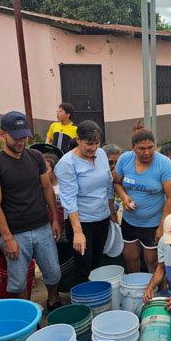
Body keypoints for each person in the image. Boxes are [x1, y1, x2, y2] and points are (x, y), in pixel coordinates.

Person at [0, 111, 63, 311]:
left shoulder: (36, 157)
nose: (21, 141)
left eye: (24, 136)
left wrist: (54, 219)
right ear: (3, 134)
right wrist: (8, 238)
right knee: (19, 282)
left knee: (53, 272)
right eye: (16, 136)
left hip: (42, 227)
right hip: (15, 233)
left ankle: (53, 301)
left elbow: (46, 187)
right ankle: (27, 312)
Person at [54, 121, 116, 285]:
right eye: (89, 143)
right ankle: (82, 303)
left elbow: (109, 184)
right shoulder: (67, 164)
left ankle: (97, 297)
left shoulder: (101, 154)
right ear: (78, 139)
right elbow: (69, 199)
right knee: (83, 267)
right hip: (81, 222)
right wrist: (78, 232)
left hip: (102, 219)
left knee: (97, 263)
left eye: (97, 143)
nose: (94, 147)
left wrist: (112, 212)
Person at [114, 129, 171, 273]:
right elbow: (117, 183)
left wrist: (162, 226)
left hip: (153, 223)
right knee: (130, 259)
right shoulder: (125, 160)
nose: (147, 152)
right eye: (141, 149)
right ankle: (136, 289)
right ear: (132, 148)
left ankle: (156, 292)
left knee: (153, 262)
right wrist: (124, 197)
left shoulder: (164, 164)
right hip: (129, 221)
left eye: (150, 147)